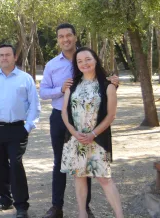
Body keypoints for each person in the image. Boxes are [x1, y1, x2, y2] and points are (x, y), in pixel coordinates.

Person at [40, 24, 118, 218]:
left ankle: (85, 208)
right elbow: (43, 92)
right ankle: (57, 207)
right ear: (58, 40)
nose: (65, 39)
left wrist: (115, 83)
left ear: (75, 37)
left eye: (68, 35)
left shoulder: (86, 57)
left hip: (90, 122)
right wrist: (60, 89)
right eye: (61, 36)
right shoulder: (52, 65)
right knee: (60, 162)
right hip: (61, 118)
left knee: (85, 165)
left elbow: (105, 84)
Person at [61, 48, 123, 218]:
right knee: (79, 176)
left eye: (88, 59)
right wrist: (73, 132)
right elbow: (64, 111)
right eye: (79, 61)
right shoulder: (72, 85)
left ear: (95, 60)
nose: (84, 63)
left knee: (104, 178)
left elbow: (111, 115)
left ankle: (120, 215)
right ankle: (82, 213)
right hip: (76, 139)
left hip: (97, 139)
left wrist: (93, 134)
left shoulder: (107, 85)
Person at [0, 44, 41, 218]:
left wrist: (27, 127)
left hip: (16, 129)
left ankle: (21, 205)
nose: (4, 58)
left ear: (15, 57)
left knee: (15, 165)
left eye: (8, 55)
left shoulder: (25, 79)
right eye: (1, 55)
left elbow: (34, 105)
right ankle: (4, 198)